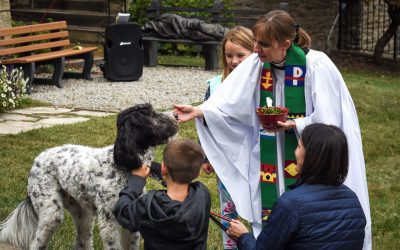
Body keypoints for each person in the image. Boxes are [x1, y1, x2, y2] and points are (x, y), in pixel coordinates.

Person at [173, 10, 371, 249]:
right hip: (271, 155)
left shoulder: (317, 66)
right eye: (255, 41)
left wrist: (296, 124)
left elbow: (331, 119)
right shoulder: (259, 63)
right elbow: (231, 99)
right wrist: (201, 111)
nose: (256, 49)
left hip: (309, 152)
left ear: (285, 44)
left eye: (263, 44)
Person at [226, 123, 367, 249]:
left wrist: (243, 236)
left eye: (299, 147)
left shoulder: (291, 204)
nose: (295, 152)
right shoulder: (353, 200)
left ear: (311, 157)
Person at [202, 26, 254, 250]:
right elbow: (206, 122)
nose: (234, 61)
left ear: (254, 54)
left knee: (258, 208)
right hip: (226, 162)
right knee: (228, 211)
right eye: (229, 55)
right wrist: (206, 156)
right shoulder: (215, 86)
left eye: (240, 55)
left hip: (256, 161)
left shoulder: (264, 84)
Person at [113, 139, 211, 250]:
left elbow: (121, 211)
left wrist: (136, 182)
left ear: (163, 168)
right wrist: (154, 168)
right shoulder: (203, 194)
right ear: (198, 173)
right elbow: (181, 178)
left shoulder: (148, 206)